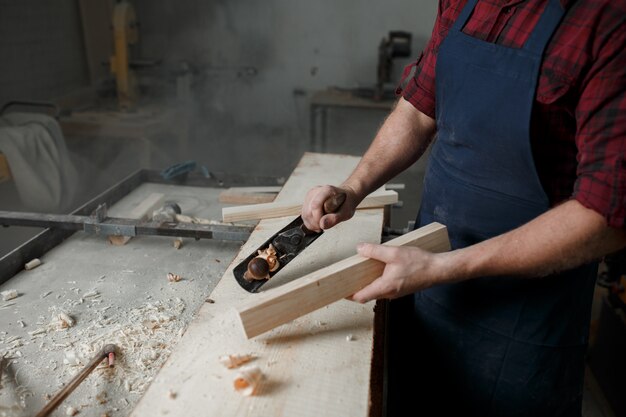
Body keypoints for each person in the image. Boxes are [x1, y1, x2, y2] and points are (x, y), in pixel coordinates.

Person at [301, 0, 626, 415]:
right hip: (425, 286)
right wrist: (353, 188)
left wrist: (447, 267)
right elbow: (419, 109)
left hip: (525, 320)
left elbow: (607, 215)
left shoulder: (607, 19)